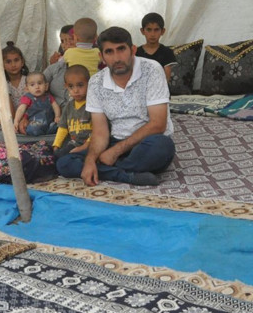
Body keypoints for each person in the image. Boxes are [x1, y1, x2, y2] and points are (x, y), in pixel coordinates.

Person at [56, 26, 175, 186]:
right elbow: (100, 132)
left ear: (133, 50)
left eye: (121, 49)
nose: (117, 58)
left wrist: (114, 152)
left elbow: (158, 124)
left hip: (146, 141)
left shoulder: (152, 70)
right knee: (64, 163)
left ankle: (108, 169)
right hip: (114, 140)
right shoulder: (96, 82)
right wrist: (91, 160)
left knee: (162, 147)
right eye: (109, 52)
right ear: (101, 56)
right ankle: (127, 176)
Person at [52, 65, 92, 159]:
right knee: (57, 156)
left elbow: (98, 129)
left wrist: (86, 145)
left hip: (91, 145)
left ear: (89, 84)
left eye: (80, 85)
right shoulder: (68, 107)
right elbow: (63, 127)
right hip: (74, 144)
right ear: (66, 86)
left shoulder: (92, 104)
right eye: (71, 86)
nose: (76, 90)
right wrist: (56, 145)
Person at [13, 72, 61, 136]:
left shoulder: (49, 97)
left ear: (46, 86)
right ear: (27, 89)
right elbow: (21, 109)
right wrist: (16, 121)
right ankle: (41, 135)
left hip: (49, 122)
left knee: (59, 126)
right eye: (32, 85)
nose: (37, 87)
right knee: (32, 129)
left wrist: (57, 116)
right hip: (35, 123)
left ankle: (50, 131)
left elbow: (55, 106)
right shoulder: (28, 98)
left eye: (40, 83)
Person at [136, 12, 177, 81]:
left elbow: (167, 78)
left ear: (162, 31)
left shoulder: (167, 52)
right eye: (149, 30)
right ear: (142, 31)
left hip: (160, 89)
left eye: (156, 30)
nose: (152, 34)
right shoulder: (136, 52)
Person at [2, 41, 28, 111]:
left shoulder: (29, 81)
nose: (13, 65)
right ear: (2, 65)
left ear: (22, 62)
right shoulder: (3, 84)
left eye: (16, 60)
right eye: (8, 62)